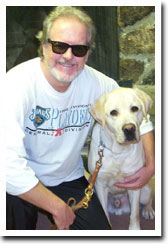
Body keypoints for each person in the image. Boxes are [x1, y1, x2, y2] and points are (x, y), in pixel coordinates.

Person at [4, 6, 155, 230]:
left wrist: (152, 165)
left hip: (67, 177)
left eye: (79, 49)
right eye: (59, 46)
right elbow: (6, 164)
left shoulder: (99, 84)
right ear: (44, 46)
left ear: (88, 52)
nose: (68, 56)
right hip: (23, 174)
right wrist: (56, 207)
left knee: (100, 233)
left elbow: (139, 117)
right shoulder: (15, 85)